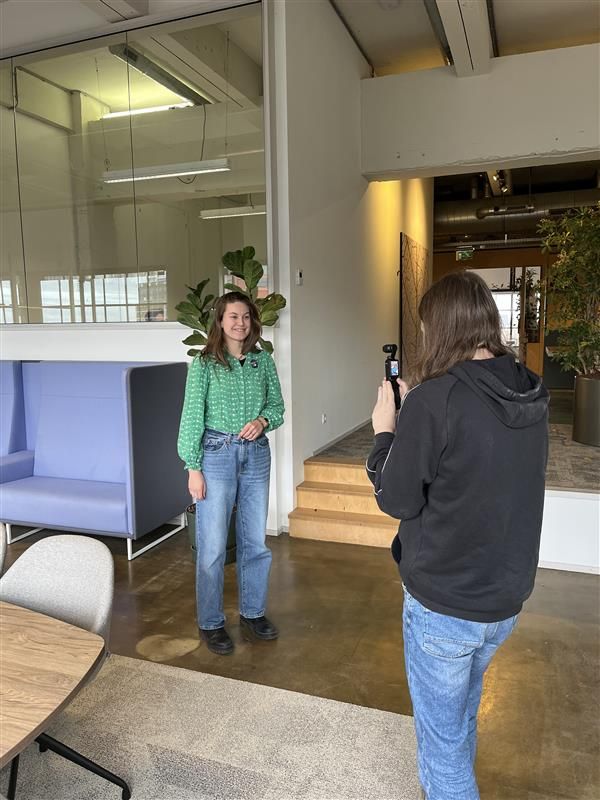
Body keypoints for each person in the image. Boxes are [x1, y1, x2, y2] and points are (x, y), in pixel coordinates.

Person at [367, 271, 548, 800]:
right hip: (505, 599)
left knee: (441, 752)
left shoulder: (433, 401)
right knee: (461, 717)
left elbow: (396, 499)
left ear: (442, 327)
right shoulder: (531, 392)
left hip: (445, 604)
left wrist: (386, 431)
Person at [178, 291, 285, 655]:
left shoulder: (262, 361)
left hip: (256, 456)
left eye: (246, 317)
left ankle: (253, 613)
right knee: (211, 546)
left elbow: (278, 406)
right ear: (220, 322)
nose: (240, 323)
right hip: (216, 456)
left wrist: (262, 420)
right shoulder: (205, 364)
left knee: (255, 541)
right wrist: (193, 468)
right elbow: (191, 417)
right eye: (233, 317)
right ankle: (211, 622)